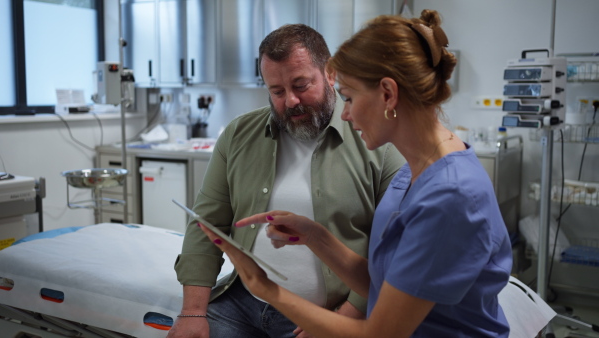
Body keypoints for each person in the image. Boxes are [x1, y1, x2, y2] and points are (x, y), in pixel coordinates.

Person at [201, 10, 513, 338]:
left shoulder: (451, 196)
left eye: (348, 97)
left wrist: (264, 287)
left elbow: (380, 333)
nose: (345, 114)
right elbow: (385, 282)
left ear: (388, 94)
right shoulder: (414, 174)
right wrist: (313, 236)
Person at [168, 23, 405, 338]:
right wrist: (193, 313)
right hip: (242, 304)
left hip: (328, 312)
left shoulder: (378, 142)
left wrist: (341, 322)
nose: (291, 101)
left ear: (330, 73)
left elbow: (395, 251)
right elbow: (206, 225)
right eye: (277, 91)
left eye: (301, 85)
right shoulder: (239, 136)